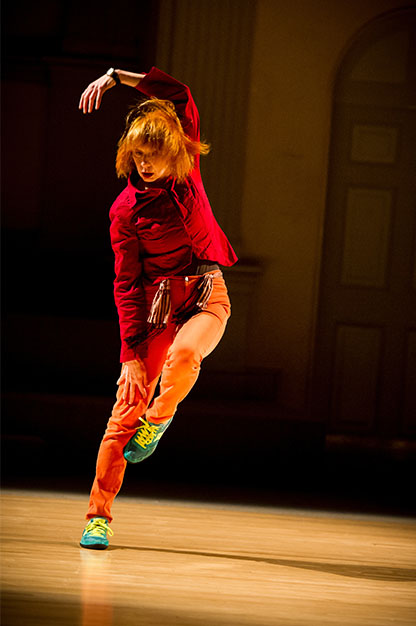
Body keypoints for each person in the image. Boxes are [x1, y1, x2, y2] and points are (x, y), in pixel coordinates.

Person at [77, 66, 237, 549]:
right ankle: (96, 515)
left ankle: (162, 416)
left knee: (186, 357)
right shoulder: (125, 211)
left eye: (154, 155)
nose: (146, 164)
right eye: (139, 156)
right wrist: (129, 355)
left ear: (174, 152)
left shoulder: (188, 171)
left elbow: (180, 93)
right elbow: (126, 284)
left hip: (207, 290)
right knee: (125, 409)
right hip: (156, 305)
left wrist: (115, 77)